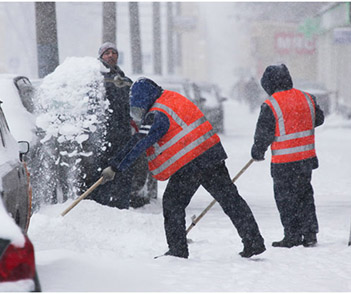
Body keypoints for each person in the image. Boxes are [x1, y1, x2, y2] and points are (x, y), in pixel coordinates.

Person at [100, 77, 266, 259]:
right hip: (211, 154)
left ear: (144, 98)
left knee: (173, 204)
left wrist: (116, 166)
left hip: (190, 162)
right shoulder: (172, 98)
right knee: (230, 200)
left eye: (139, 106)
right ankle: (253, 241)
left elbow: (139, 141)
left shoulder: (158, 113)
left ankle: (177, 250)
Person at [251, 64, 324, 248]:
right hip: (306, 158)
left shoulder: (271, 104)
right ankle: (309, 233)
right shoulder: (307, 98)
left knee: (286, 199)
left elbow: (264, 133)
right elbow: (319, 119)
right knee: (305, 194)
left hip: (284, 162)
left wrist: (258, 151)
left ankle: (292, 235)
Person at [80, 42, 134, 209]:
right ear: (100, 57)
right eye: (106, 53)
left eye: (113, 52)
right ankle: (100, 206)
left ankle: (121, 206)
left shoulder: (125, 81)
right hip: (102, 136)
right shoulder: (94, 79)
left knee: (123, 173)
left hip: (123, 135)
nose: (110, 55)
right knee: (101, 173)